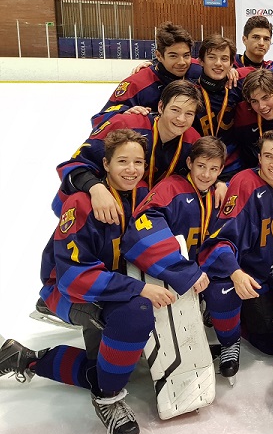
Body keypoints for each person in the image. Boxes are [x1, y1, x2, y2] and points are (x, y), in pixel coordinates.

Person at [0, 130, 175, 434]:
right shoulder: (82, 202)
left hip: (109, 285)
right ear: (105, 164)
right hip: (70, 291)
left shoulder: (141, 193)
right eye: (123, 161)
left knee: (108, 361)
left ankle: (22, 358)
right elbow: (72, 278)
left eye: (138, 162)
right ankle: (107, 398)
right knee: (135, 315)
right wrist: (136, 289)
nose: (132, 169)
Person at [198, 131, 273, 375]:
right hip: (245, 269)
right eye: (268, 156)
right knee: (223, 289)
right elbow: (220, 241)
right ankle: (229, 335)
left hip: (271, 264)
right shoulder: (244, 183)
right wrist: (235, 273)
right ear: (259, 158)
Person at [55, 80, 203, 221]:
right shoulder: (125, 124)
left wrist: (220, 184)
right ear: (160, 107)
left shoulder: (193, 141)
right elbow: (76, 165)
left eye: (189, 113)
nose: (181, 119)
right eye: (175, 110)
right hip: (96, 206)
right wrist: (96, 189)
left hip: (145, 215)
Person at [122, 136, 226, 295]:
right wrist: (185, 271)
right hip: (172, 283)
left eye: (213, 169)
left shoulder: (219, 194)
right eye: (201, 166)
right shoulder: (171, 188)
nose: (206, 175)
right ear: (190, 163)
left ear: (220, 170)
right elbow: (140, 233)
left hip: (207, 280)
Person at [91, 22, 201, 127]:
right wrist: (124, 113)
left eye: (186, 55)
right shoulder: (137, 84)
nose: (182, 62)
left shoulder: (197, 69)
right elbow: (99, 120)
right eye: (173, 56)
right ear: (159, 55)